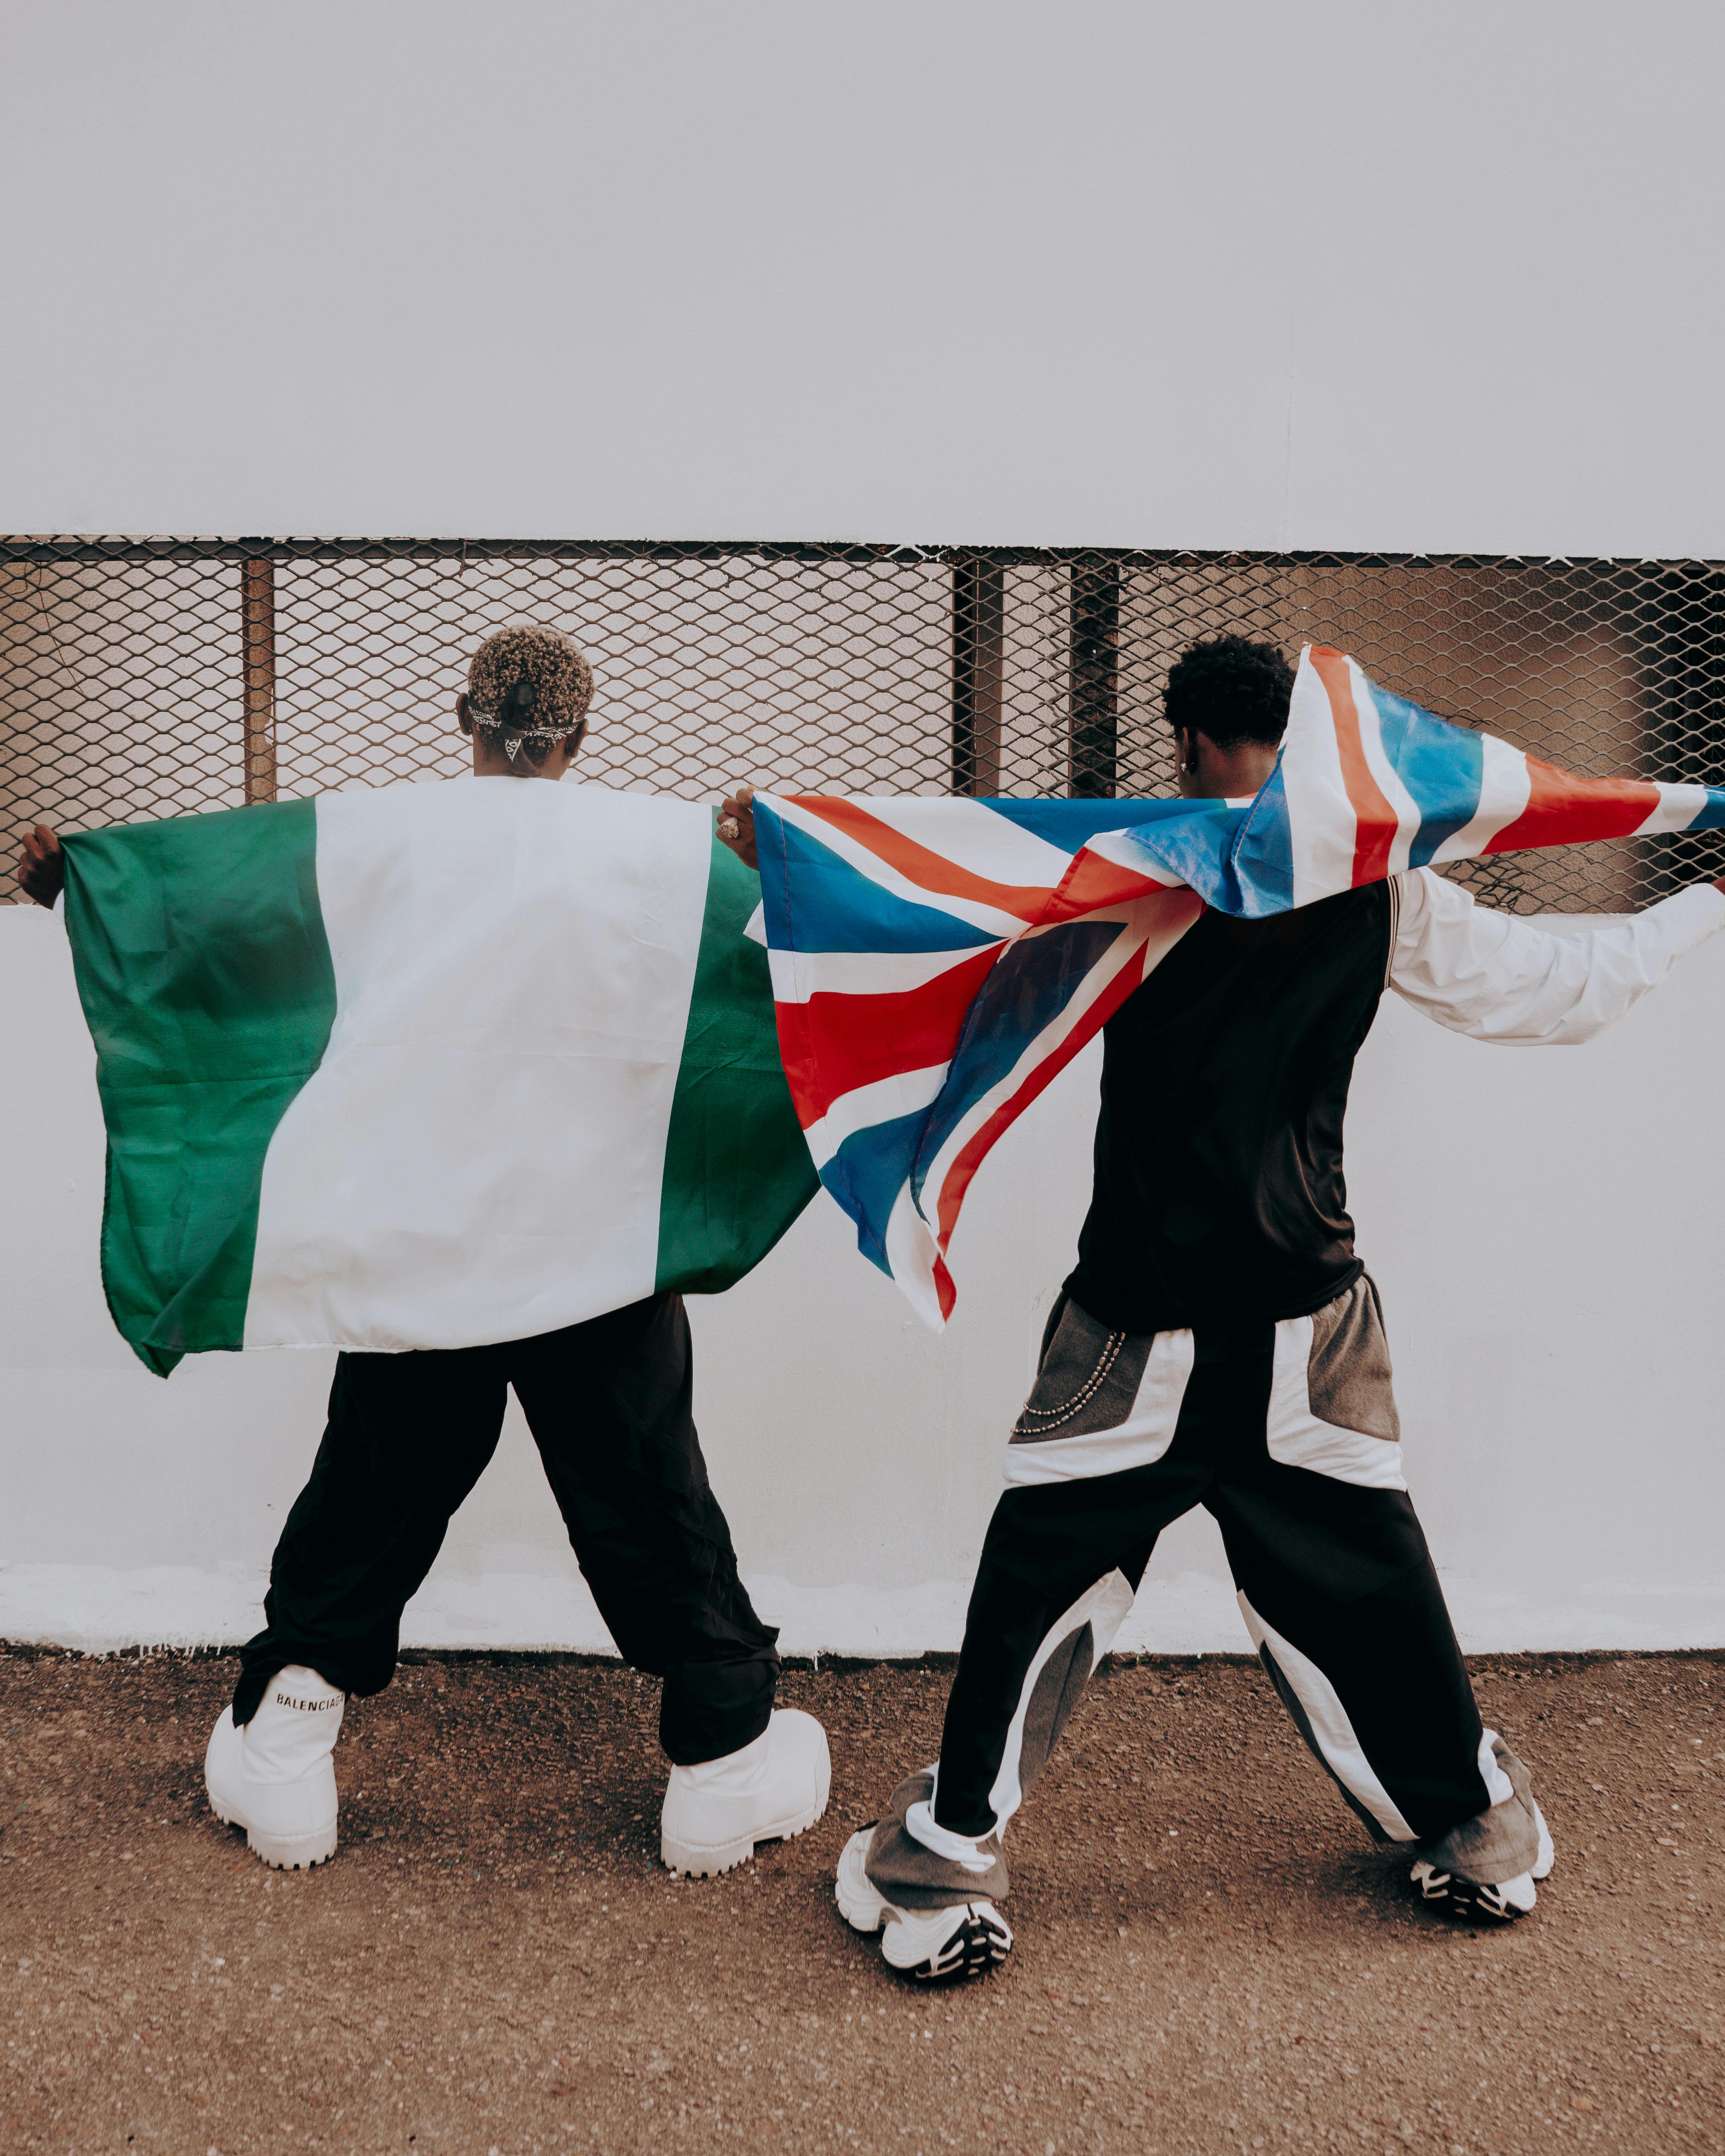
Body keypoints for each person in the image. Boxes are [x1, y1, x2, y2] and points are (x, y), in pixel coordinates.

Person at [722, 633, 1725, 1981]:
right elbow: (1563, 993)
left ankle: (947, 1867)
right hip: (1309, 1321)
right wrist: (1707, 896)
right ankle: (1476, 1830)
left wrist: (773, 844)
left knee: (1036, 1586)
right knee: (1371, 1579)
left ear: (1189, 744)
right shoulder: (1384, 888)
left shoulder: (1137, 867)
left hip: (1136, 1320)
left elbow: (928, 899)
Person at [18, 625, 829, 1877]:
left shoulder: (378, 834)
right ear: (580, 736)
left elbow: (223, 914)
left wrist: (89, 879)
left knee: (376, 1481)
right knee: (646, 1483)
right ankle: (721, 1761)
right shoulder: (654, 849)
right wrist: (772, 857)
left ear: (466, 718)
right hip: (595, 1248)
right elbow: (798, 950)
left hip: (422, 1250)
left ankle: (287, 1748)